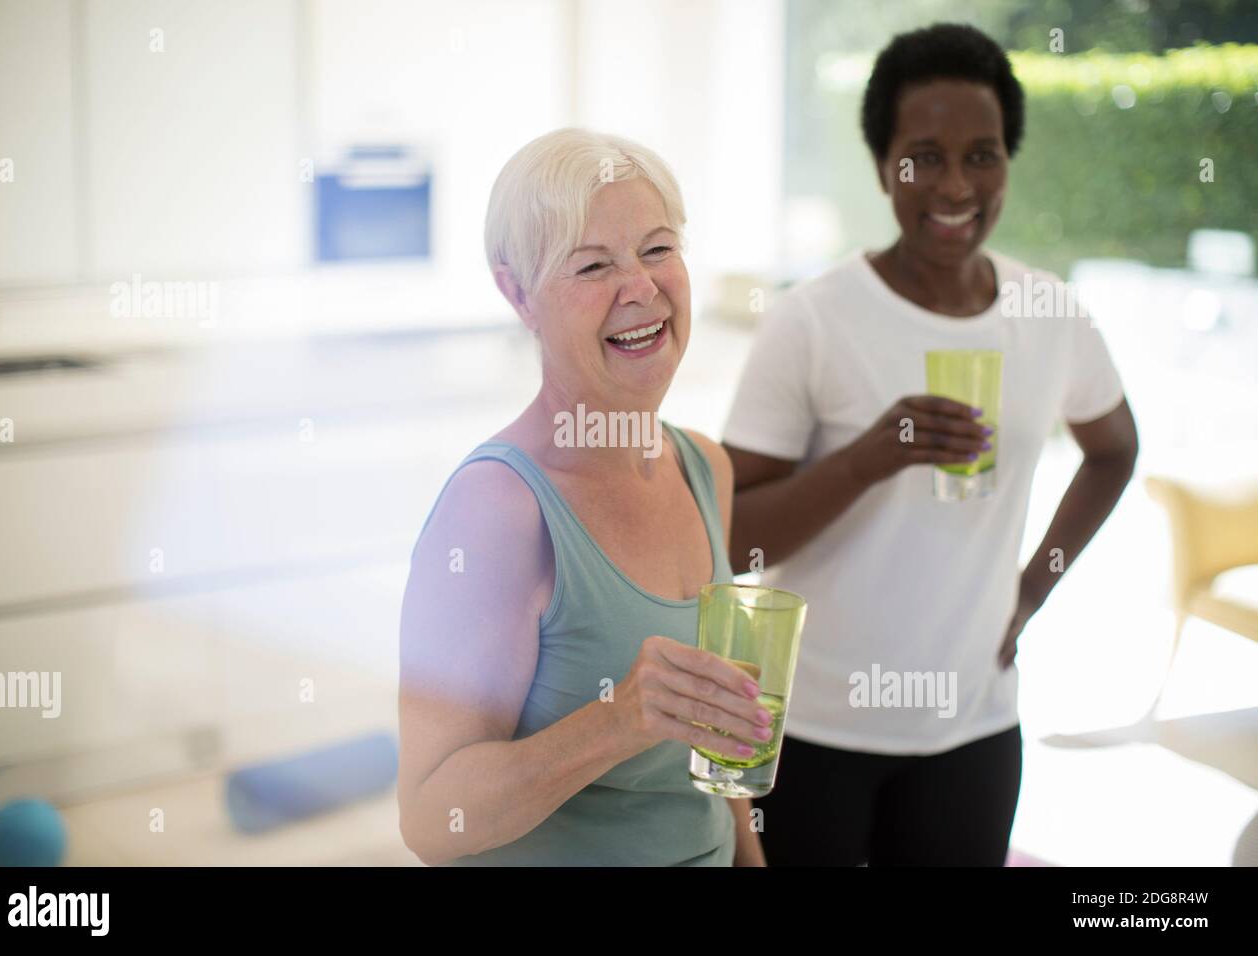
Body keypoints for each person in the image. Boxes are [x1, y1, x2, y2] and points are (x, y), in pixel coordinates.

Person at [723, 23, 1139, 866]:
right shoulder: (812, 319)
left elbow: (1115, 450)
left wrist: (1032, 591)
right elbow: (733, 538)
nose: (954, 184)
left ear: (1007, 164)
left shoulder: (1048, 312)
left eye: (982, 155)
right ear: (883, 166)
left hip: (975, 730)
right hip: (814, 729)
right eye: (923, 156)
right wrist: (869, 458)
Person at [397, 128, 770, 866]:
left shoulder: (705, 468)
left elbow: (719, 753)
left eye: (658, 249)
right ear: (518, 294)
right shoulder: (499, 510)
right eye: (594, 264)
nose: (641, 287)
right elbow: (433, 820)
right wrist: (620, 719)